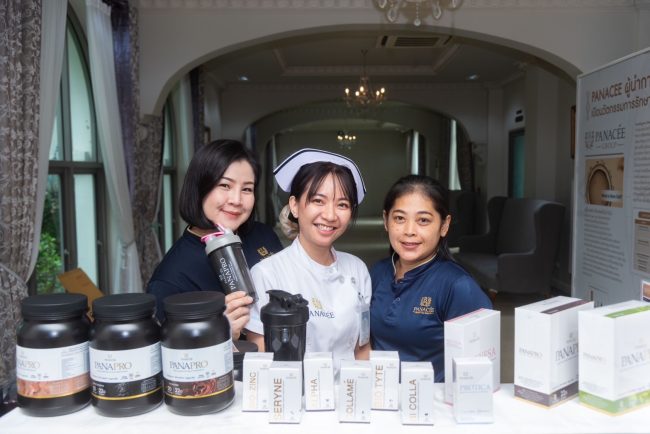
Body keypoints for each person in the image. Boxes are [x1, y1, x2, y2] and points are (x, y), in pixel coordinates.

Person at [245, 149, 371, 367]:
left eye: (342, 204)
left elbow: (362, 348)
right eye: (318, 201)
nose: (330, 215)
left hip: (349, 386)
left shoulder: (357, 269)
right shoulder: (266, 273)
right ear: (294, 206)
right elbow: (261, 357)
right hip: (292, 386)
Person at [146, 139, 283, 339]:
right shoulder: (170, 279)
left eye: (247, 189)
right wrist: (216, 333)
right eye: (225, 185)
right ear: (199, 188)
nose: (236, 200)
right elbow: (170, 352)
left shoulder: (263, 235)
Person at [369, 175, 492, 382]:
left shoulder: (458, 287)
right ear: (386, 220)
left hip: (431, 399)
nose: (409, 231)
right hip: (381, 394)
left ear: (444, 225)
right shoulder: (378, 272)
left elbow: (480, 370)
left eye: (423, 220)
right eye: (399, 218)